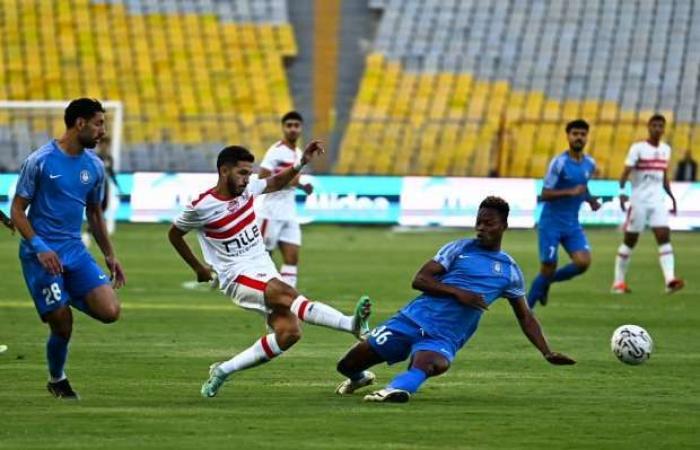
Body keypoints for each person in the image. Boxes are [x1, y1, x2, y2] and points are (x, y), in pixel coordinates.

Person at [168, 143, 371, 398]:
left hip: (263, 267)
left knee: (289, 333)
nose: (247, 179)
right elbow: (174, 234)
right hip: (237, 276)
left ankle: (223, 371)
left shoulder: (248, 189)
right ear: (224, 171)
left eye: (249, 173)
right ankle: (350, 325)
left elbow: (275, 182)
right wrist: (198, 267)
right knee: (287, 293)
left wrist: (301, 164)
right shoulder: (201, 206)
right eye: (242, 173)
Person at [335, 196, 575, 403]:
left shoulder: (509, 271)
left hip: (444, 336)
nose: (481, 228)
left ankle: (395, 390)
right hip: (411, 321)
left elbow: (525, 316)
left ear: (504, 226)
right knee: (346, 366)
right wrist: (459, 292)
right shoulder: (458, 249)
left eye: (488, 223)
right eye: (478, 222)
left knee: (428, 364)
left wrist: (546, 351)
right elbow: (420, 279)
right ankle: (361, 378)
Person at [10, 98, 126, 399]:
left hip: (74, 251)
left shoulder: (95, 167)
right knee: (62, 326)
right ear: (80, 123)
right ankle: (57, 378)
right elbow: (18, 210)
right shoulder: (40, 161)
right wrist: (39, 247)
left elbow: (95, 213)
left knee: (110, 311)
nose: (102, 131)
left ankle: (60, 296)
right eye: (99, 123)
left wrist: (110, 255)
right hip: (42, 255)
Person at [527, 120, 600, 308]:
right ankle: (527, 309)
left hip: (572, 224)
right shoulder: (558, 163)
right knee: (548, 266)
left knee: (583, 262)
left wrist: (590, 200)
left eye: (582, 134)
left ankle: (546, 282)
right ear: (568, 136)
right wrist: (570, 192)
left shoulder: (590, 164)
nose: (579, 137)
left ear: (587, 137)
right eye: (575, 133)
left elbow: (583, 187)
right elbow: (544, 194)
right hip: (551, 223)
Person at [612, 114, 684, 294]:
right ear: (649, 127)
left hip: (657, 202)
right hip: (639, 202)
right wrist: (622, 194)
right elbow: (624, 174)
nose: (658, 129)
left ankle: (670, 280)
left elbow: (663, 176)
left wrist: (672, 198)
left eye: (661, 126)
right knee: (630, 240)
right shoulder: (638, 149)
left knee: (663, 236)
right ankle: (618, 282)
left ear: (664, 129)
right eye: (655, 125)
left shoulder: (666, 150)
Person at [255, 111, 313, 288]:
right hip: (270, 212)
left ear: (301, 128)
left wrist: (303, 186)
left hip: (289, 212)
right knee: (264, 256)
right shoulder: (276, 151)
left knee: (292, 257)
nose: (293, 129)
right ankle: (256, 290)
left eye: (296, 125)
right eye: (289, 125)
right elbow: (262, 178)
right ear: (283, 128)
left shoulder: (298, 152)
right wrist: (288, 180)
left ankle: (288, 298)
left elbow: (293, 180)